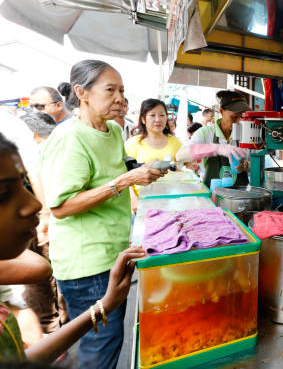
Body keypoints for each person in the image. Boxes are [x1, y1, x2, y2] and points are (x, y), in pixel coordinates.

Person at [39, 60, 167, 368]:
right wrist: (124, 181)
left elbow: (113, 166)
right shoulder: (70, 138)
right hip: (87, 263)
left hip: (113, 250)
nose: (120, 98)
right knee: (101, 344)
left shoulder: (111, 129)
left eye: (122, 90)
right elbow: (61, 207)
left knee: (110, 340)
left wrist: (137, 169)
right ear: (82, 93)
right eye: (110, 90)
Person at [0, 132, 146, 365]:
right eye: (3, 194)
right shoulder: (71, 138)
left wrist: (106, 304)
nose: (35, 204)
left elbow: (23, 360)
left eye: (25, 184)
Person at [19, 112, 68, 337]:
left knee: (42, 276)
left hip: (41, 221)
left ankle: (52, 326)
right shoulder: (58, 147)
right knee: (47, 274)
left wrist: (46, 215)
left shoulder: (39, 151)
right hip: (44, 223)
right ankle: (55, 324)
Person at [176, 90, 249, 187]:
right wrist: (217, 148)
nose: (238, 121)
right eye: (234, 117)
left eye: (242, 117)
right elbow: (180, 156)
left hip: (240, 195)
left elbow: (260, 165)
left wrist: (247, 165)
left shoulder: (247, 134)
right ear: (221, 111)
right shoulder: (206, 133)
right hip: (212, 195)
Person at [125, 99, 184, 210]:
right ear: (143, 119)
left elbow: (185, 168)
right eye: (152, 115)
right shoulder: (132, 144)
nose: (158, 119)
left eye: (162, 115)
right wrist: (134, 201)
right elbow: (123, 175)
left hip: (171, 203)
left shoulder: (176, 143)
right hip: (141, 204)